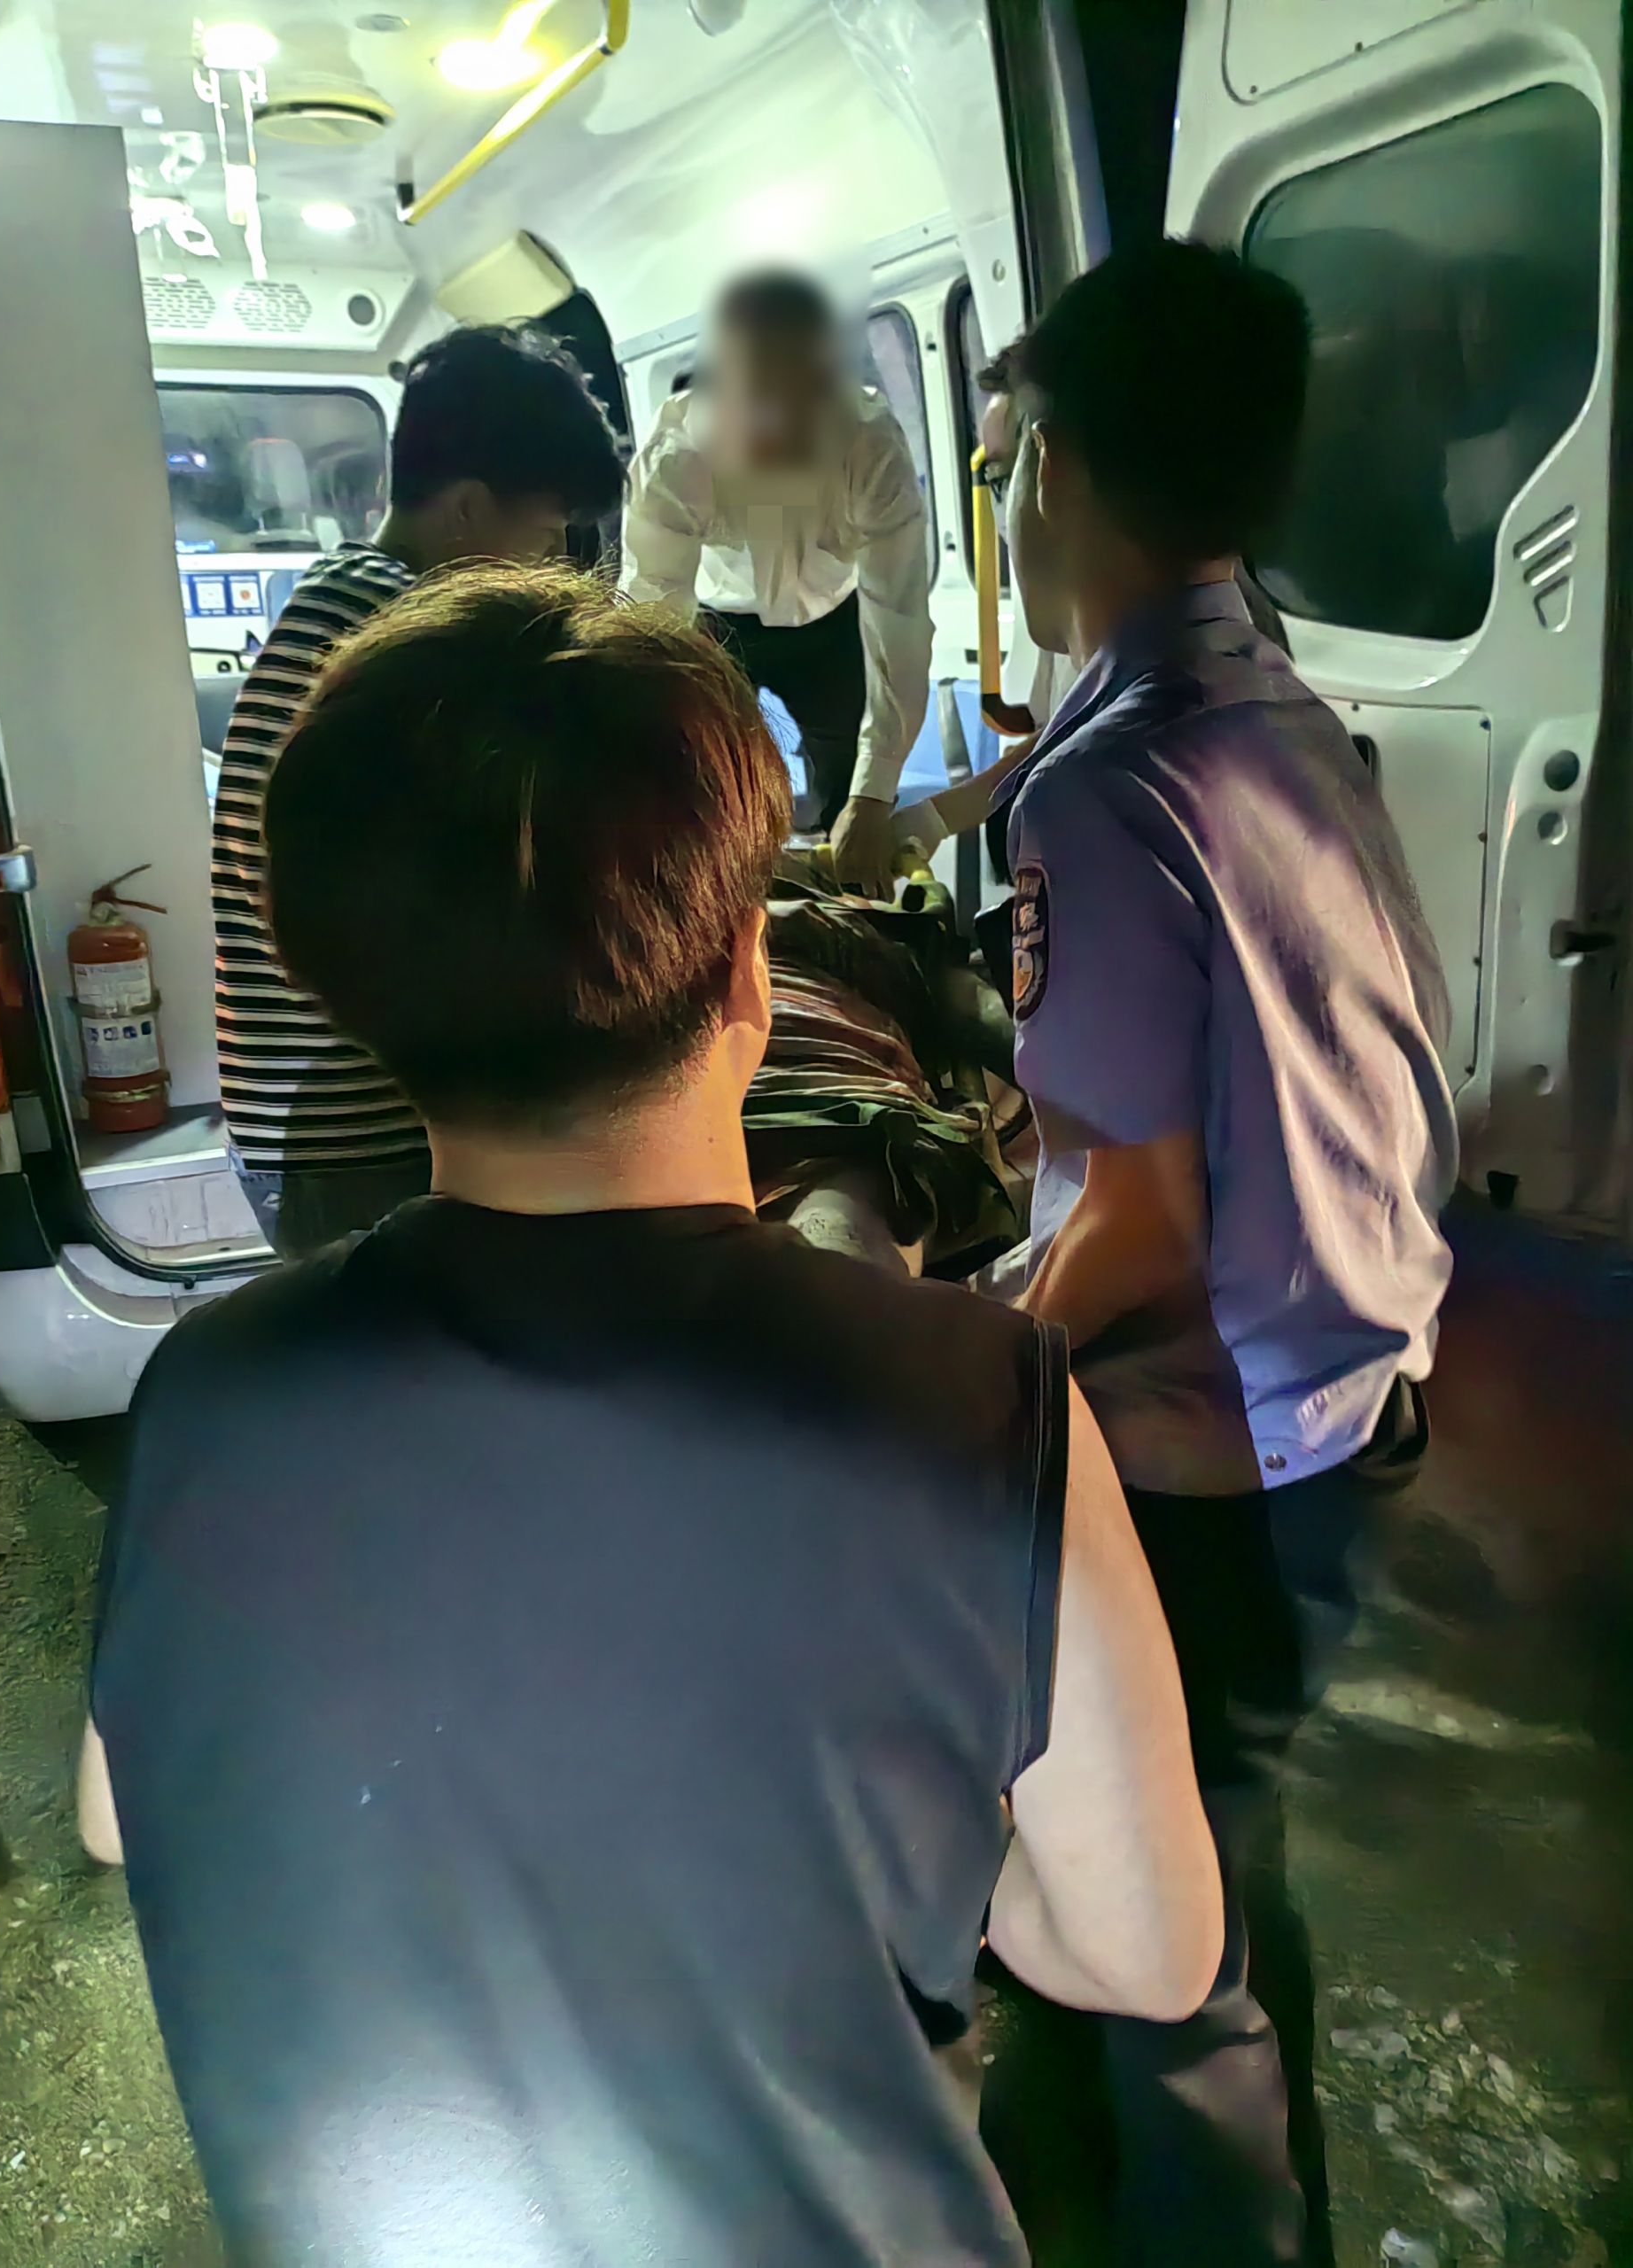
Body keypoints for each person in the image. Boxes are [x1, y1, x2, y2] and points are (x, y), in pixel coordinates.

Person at [83, 564, 1222, 2267]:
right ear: (750, 976)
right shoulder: (982, 1405)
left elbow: (121, 1813)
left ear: (349, 994)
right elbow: (1149, 1953)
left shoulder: (214, 1389)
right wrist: (934, 1837)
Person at [981, 240, 1458, 2266]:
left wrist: (970, 1346)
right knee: (1228, 1848)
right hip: (1358, 1388)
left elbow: (1135, 1213)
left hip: (1219, 1454)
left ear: (1056, 468)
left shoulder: (1105, 791)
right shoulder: (1283, 715)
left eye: (1012, 458)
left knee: (1170, 1930)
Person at [212, 322, 623, 1259]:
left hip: (302, 1113)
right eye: (546, 533)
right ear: (470, 509)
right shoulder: (406, 634)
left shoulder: (341, 595)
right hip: (352, 1132)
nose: (552, 564)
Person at [621, 269, 931, 896]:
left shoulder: (870, 447)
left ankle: (851, 921)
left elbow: (898, 615)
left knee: (851, 798)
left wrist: (873, 796)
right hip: (719, 620)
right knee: (712, 778)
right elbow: (652, 625)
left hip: (834, 621)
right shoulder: (678, 458)